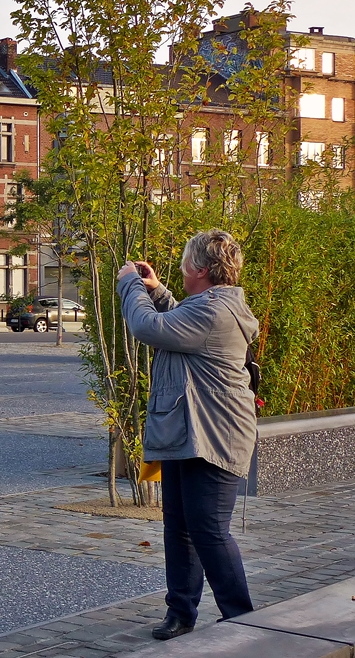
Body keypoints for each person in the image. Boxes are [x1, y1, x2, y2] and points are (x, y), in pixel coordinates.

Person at [116, 229, 258, 641]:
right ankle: (181, 612)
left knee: (209, 529)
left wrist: (130, 284)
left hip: (213, 436)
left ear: (199, 269)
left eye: (185, 261)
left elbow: (147, 327)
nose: (181, 268)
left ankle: (243, 619)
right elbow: (179, 322)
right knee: (179, 526)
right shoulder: (210, 306)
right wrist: (157, 291)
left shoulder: (213, 311)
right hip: (187, 430)